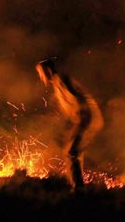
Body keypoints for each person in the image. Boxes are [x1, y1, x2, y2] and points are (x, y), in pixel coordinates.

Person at [36, 57, 103, 190]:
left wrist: (79, 125)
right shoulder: (58, 84)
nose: (40, 77)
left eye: (41, 73)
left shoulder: (61, 80)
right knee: (70, 150)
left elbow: (79, 101)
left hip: (88, 118)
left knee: (71, 152)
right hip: (86, 119)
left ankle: (78, 190)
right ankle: (76, 186)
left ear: (48, 70)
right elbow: (69, 108)